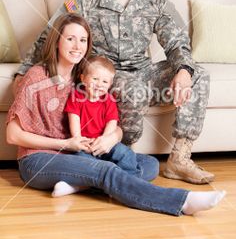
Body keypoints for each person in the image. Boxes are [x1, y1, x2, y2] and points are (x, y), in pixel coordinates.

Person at [14, 0, 214, 184]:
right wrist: (23, 72)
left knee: (198, 74)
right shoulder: (85, 0)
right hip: (104, 75)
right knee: (132, 87)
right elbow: (50, 36)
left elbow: (177, 43)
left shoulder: (155, 1)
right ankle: (119, 154)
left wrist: (184, 71)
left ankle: (180, 159)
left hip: (144, 71)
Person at [6, 12, 226, 216]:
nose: (77, 46)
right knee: (107, 169)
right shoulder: (36, 75)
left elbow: (112, 122)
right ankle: (181, 202)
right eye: (70, 39)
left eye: (83, 40)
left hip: (78, 153)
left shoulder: (85, 79)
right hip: (39, 159)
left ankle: (79, 183)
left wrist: (110, 138)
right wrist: (67, 144)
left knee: (150, 164)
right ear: (57, 41)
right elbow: (13, 135)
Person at [64, 55, 145, 177]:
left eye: (105, 81)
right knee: (81, 161)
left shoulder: (109, 100)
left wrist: (105, 140)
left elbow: (111, 122)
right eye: (95, 79)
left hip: (103, 143)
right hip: (84, 145)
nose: (99, 84)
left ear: (110, 84)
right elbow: (73, 119)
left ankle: (128, 180)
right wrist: (79, 139)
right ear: (83, 78)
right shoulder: (76, 97)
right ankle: (83, 183)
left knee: (126, 154)